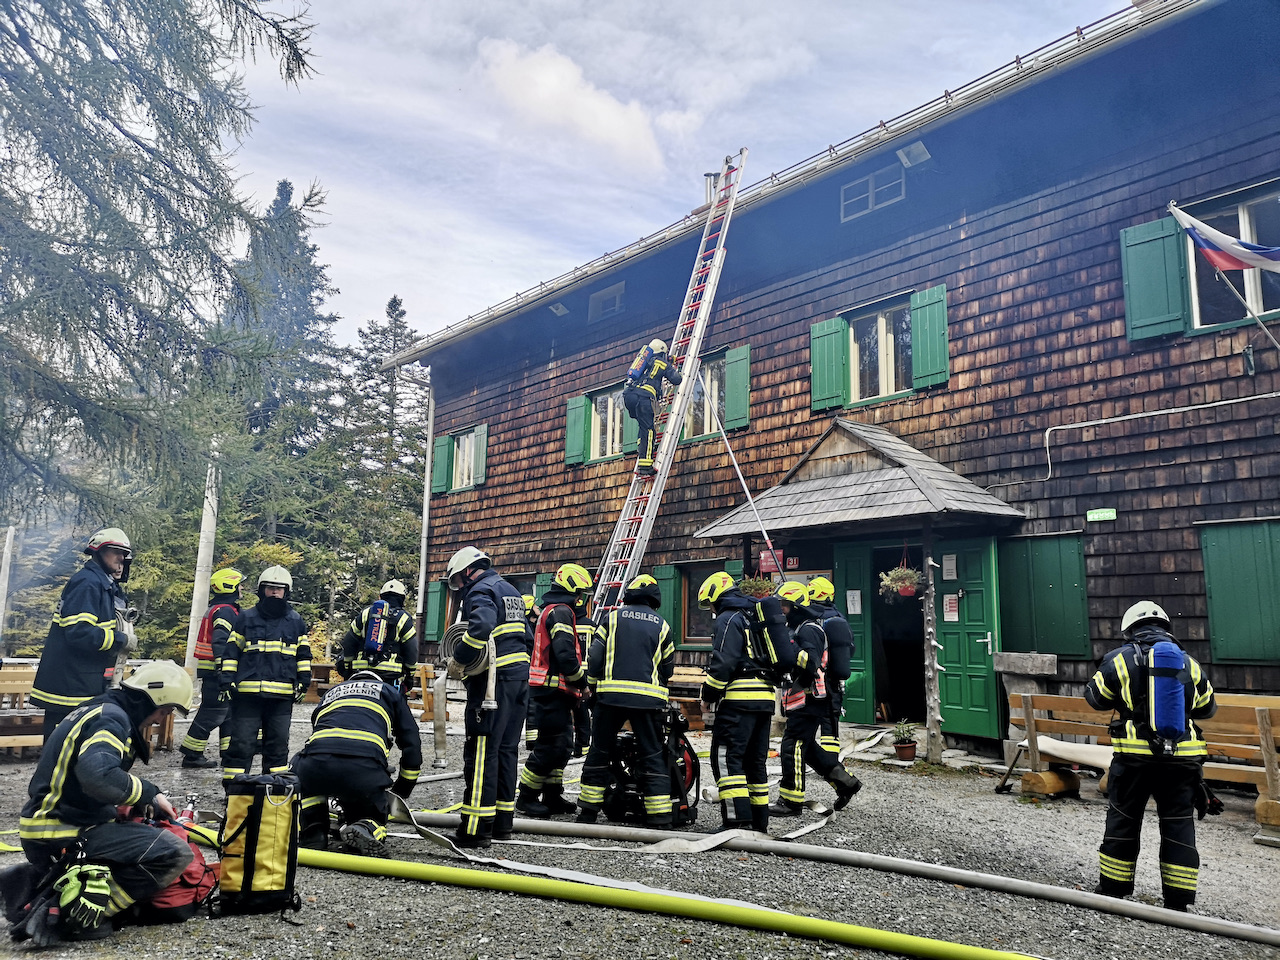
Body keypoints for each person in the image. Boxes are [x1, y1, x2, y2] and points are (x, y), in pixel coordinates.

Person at [4, 661, 195, 946]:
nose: (159, 720)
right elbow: (99, 777)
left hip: (48, 824)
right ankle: (76, 916)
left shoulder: (101, 709)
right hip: (62, 828)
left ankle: (36, 880)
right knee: (174, 852)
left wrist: (133, 803)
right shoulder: (112, 720)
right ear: (150, 699)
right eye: (164, 710)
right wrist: (149, 793)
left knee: (135, 833)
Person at [1085, 600, 1216, 912]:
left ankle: (1114, 889)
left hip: (1134, 759)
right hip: (1183, 760)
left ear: (1130, 629)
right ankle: (1178, 900)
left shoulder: (1119, 660)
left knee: (1124, 819)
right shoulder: (1188, 664)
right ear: (1166, 628)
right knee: (1178, 823)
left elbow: (1096, 698)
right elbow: (1206, 707)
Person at [446, 545, 532, 848]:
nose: (459, 586)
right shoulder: (510, 590)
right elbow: (528, 636)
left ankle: (475, 828)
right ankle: (501, 824)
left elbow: (480, 626)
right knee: (506, 750)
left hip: (492, 683)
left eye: (458, 580)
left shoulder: (480, 590)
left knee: (482, 749)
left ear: (469, 571)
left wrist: (460, 657)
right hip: (519, 679)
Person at [577, 575, 676, 827]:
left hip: (610, 698)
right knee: (652, 753)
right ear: (655, 598)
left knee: (599, 751)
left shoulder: (611, 619)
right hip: (649, 700)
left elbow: (596, 657)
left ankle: (588, 812)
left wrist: (592, 682)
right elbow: (668, 668)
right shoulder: (662, 625)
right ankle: (660, 816)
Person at [293, 669, 422, 857]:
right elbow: (412, 743)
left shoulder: (332, 693)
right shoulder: (388, 691)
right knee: (374, 815)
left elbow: (318, 730)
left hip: (315, 764)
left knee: (307, 783)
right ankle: (366, 827)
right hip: (363, 769)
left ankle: (313, 832)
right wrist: (402, 790)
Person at [32, 528, 134, 741]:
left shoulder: (102, 584)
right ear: (98, 552)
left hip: (82, 682)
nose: (121, 558)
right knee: (61, 753)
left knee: (75, 752)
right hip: (69, 688)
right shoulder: (87, 583)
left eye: (124, 554)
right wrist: (120, 640)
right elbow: (79, 633)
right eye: (115, 551)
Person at [768, 581, 861, 816]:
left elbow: (811, 663)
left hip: (810, 699)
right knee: (806, 748)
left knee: (792, 745)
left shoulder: (808, 629)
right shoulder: (798, 628)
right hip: (804, 699)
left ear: (796, 606)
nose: (782, 609)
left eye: (785, 605)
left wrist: (787, 649)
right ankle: (846, 783)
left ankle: (790, 802)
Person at [698, 571, 773, 833]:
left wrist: (708, 695)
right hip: (765, 698)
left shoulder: (728, 619)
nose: (711, 610)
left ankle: (736, 821)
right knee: (755, 762)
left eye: (710, 604)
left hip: (739, 699)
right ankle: (759, 822)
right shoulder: (754, 617)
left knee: (727, 758)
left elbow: (724, 663)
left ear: (716, 598)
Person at [220, 566, 311, 781]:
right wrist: (227, 680)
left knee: (278, 747)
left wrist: (304, 681)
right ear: (262, 590)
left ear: (286, 592)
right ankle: (235, 791)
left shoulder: (296, 621)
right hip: (247, 695)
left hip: (281, 697)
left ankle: (274, 791)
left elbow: (303, 654)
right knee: (241, 744)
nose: (274, 593)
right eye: (270, 588)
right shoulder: (246, 618)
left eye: (279, 589)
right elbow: (232, 651)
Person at [517, 563, 592, 818]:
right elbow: (564, 654)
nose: (581, 599)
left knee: (562, 746)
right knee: (550, 746)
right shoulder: (561, 611)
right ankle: (526, 796)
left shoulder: (554, 609)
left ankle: (551, 795)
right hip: (552, 690)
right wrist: (582, 683)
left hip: (557, 690)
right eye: (580, 593)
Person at [179, 567, 244, 768]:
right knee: (213, 713)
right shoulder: (225, 610)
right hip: (218, 674)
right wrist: (225, 670)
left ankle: (229, 752)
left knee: (228, 713)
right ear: (230, 586)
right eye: (239, 584)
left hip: (214, 672)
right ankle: (192, 754)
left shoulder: (218, 608)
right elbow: (221, 641)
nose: (242, 588)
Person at [807, 576, 855, 762]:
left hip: (815, 678)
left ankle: (809, 756)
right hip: (834, 680)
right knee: (831, 721)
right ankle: (830, 761)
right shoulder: (839, 618)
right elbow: (851, 647)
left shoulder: (810, 617)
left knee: (808, 719)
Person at [340, 579, 418, 691]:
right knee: (399, 706)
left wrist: (347, 668)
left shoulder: (365, 613)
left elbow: (349, 642)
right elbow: (411, 650)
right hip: (389, 676)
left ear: (380, 596)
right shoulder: (403, 618)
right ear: (402, 599)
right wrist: (410, 676)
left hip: (360, 671)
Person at [622, 338, 682, 477]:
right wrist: (674, 368)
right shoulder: (663, 363)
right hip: (644, 397)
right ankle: (645, 466)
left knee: (642, 426)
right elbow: (676, 379)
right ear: (662, 353)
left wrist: (670, 360)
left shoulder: (644, 361)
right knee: (649, 430)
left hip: (629, 395)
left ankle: (641, 448)